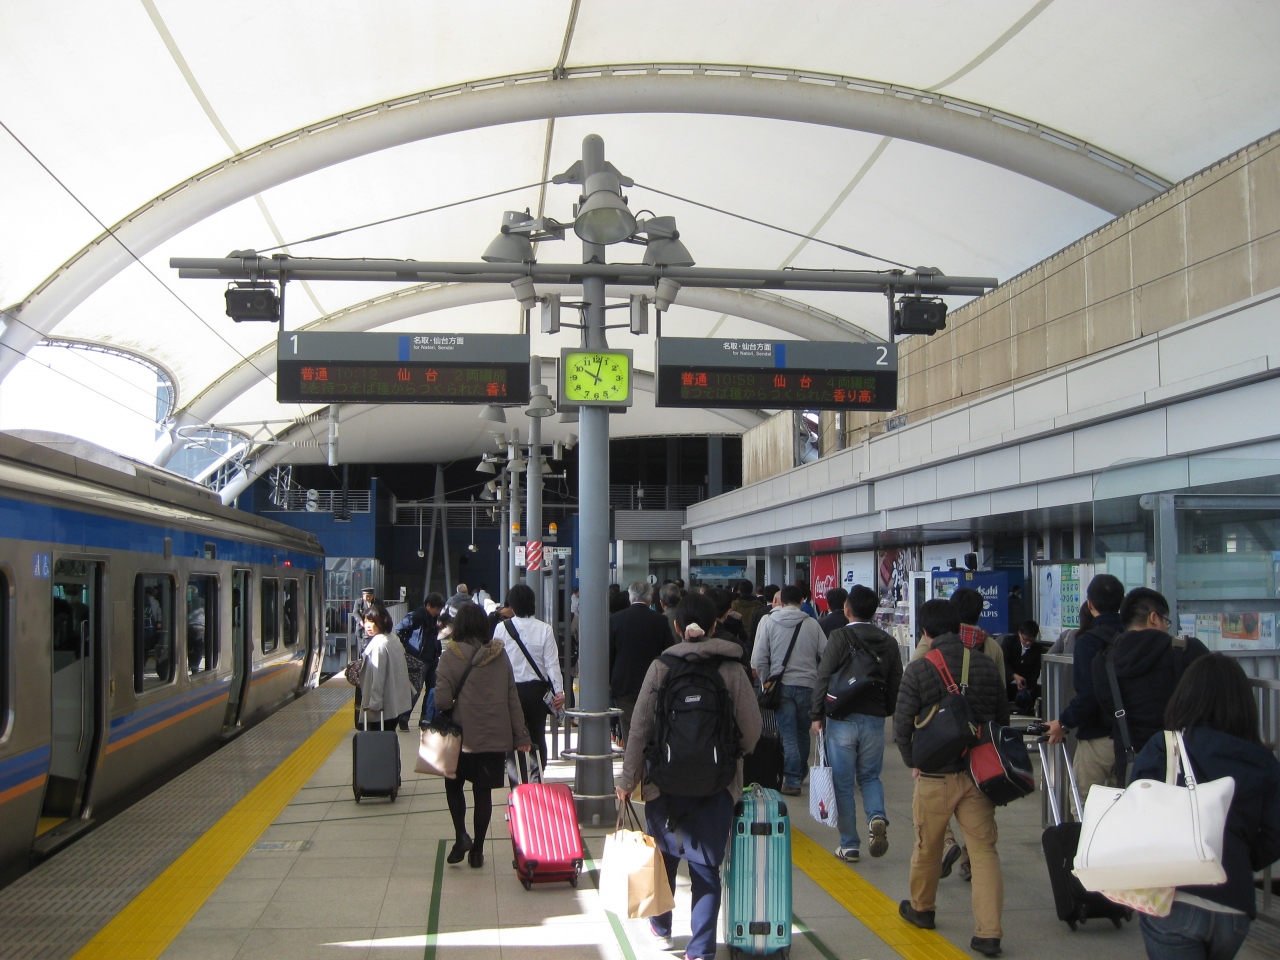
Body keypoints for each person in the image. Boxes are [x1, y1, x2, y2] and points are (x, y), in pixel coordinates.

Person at [617, 592, 763, 960]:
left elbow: (639, 729)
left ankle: (662, 927)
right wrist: (731, 755)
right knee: (706, 866)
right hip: (718, 784)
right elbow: (752, 728)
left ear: (678, 627)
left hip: (662, 782)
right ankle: (700, 950)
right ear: (715, 626)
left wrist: (626, 780)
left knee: (665, 855)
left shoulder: (661, 667)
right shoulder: (732, 669)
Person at [1130, 654, 1280, 960]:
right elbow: (1276, 834)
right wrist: (1238, 859)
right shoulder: (1264, 761)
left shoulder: (1166, 747)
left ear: (1185, 697)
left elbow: (1135, 810)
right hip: (1235, 905)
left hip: (1174, 897)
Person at [894, 599, 1009, 957]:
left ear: (925, 632)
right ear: (958, 627)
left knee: (928, 846)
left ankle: (922, 909)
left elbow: (901, 725)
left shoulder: (918, 669)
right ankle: (989, 933)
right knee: (984, 851)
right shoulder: (988, 665)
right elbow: (1002, 719)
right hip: (977, 775)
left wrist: (915, 760)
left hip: (934, 776)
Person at [914, 586, 1005, 881]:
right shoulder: (991, 647)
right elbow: (1000, 697)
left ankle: (947, 845)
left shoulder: (930, 644)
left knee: (930, 809)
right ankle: (969, 859)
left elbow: (912, 685)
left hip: (937, 743)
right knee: (978, 816)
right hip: (978, 745)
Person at [811, 585, 902, 862]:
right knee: (870, 776)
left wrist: (816, 715)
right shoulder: (888, 641)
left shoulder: (840, 636)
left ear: (847, 610)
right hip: (874, 718)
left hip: (841, 718)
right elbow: (896, 682)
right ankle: (876, 816)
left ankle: (849, 844)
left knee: (842, 782)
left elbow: (823, 676)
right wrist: (885, 711)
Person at [436, 603, 531, 868]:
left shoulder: (450, 655)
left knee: (453, 785)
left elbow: (442, 701)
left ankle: (461, 835)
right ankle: (477, 851)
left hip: (461, 738)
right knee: (483, 793)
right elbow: (513, 697)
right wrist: (521, 736)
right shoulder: (500, 656)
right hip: (494, 737)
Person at [1093, 587, 1210, 783]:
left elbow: (1107, 708)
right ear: (1154, 618)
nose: (1167, 627)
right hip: (1185, 769)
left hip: (1132, 769)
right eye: (1167, 621)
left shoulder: (1103, 661)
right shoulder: (1188, 650)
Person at [751, 584, 827, 796]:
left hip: (782, 685)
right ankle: (799, 771)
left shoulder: (769, 622)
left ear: (781, 601)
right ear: (802, 601)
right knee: (803, 733)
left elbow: (759, 658)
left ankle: (792, 779)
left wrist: (767, 681)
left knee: (788, 733)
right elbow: (826, 654)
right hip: (808, 685)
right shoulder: (812, 624)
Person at [493, 584, 564, 768]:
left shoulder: (502, 629)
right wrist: (559, 692)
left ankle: (517, 784)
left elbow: (496, 662)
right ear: (533, 604)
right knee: (537, 734)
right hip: (536, 692)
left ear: (513, 606)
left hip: (511, 691)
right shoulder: (545, 629)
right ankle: (537, 778)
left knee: (513, 735)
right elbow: (552, 663)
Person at [610, 581, 676, 743]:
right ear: (651, 598)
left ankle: (632, 762)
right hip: (653, 681)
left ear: (630, 597)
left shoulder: (616, 619)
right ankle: (649, 761)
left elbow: (609, 653)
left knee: (630, 727)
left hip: (623, 683)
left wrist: (610, 680)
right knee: (651, 725)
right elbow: (669, 652)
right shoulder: (659, 621)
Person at [357, 602, 414, 731]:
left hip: (383, 706)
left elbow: (378, 676)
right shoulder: (393, 639)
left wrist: (375, 703)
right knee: (390, 739)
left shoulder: (379, 645)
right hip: (396, 703)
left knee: (379, 743)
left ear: (382, 621)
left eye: (372, 622)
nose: (368, 626)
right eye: (366, 622)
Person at [395, 592, 445, 730]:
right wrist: (407, 647)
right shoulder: (416, 616)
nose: (437, 611)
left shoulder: (436, 618)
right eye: (436, 608)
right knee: (415, 690)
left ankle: (426, 718)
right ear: (428, 605)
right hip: (419, 659)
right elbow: (398, 630)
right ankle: (404, 718)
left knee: (433, 689)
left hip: (433, 657)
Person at [1000, 620, 1043, 712]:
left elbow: (1035, 672)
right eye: (1025, 639)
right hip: (1007, 683)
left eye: (1031, 640)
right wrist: (1014, 676)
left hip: (1025, 686)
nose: (1028, 643)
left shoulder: (1037, 649)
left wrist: (1026, 687)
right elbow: (1003, 662)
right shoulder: (1009, 642)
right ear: (1019, 633)